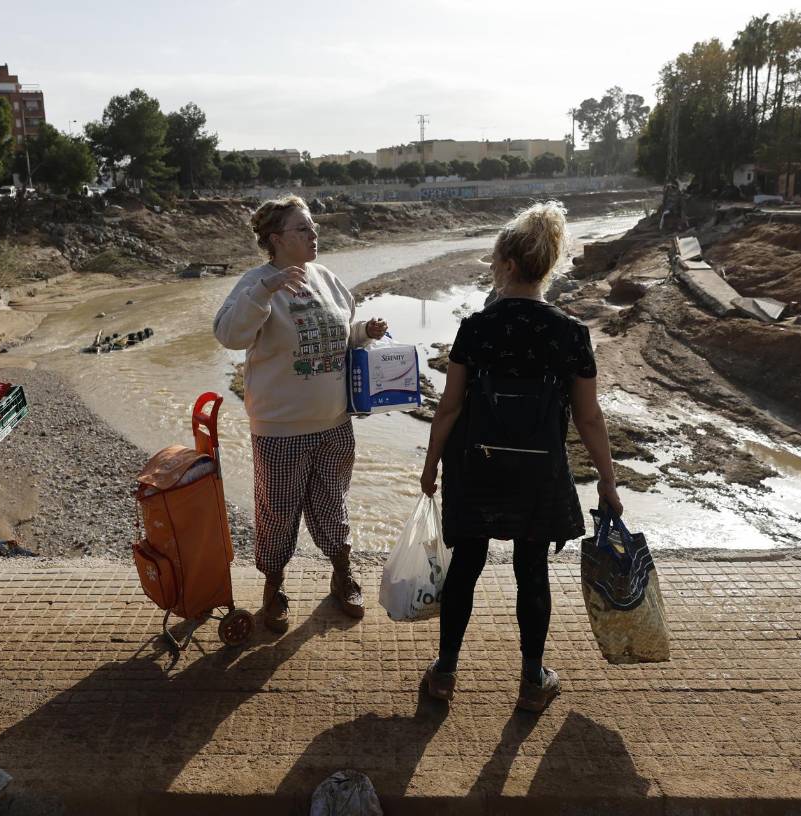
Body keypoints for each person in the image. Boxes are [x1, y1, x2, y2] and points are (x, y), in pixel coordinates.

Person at [418, 201, 623, 711]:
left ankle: (444, 674)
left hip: (475, 467)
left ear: (507, 264)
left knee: (466, 564)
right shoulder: (571, 334)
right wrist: (608, 478)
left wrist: (429, 468)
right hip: (539, 471)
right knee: (532, 571)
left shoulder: (476, 328)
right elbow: (589, 417)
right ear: (547, 265)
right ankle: (533, 680)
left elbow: (449, 408)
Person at [214, 194, 388, 633]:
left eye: (313, 228)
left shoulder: (325, 276)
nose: (315, 235)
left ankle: (342, 574)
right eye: (304, 229)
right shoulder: (256, 282)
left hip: (334, 422)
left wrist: (363, 332)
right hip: (280, 427)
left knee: (333, 504)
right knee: (278, 512)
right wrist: (264, 291)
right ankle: (273, 589)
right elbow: (229, 335)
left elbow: (337, 334)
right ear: (276, 239)